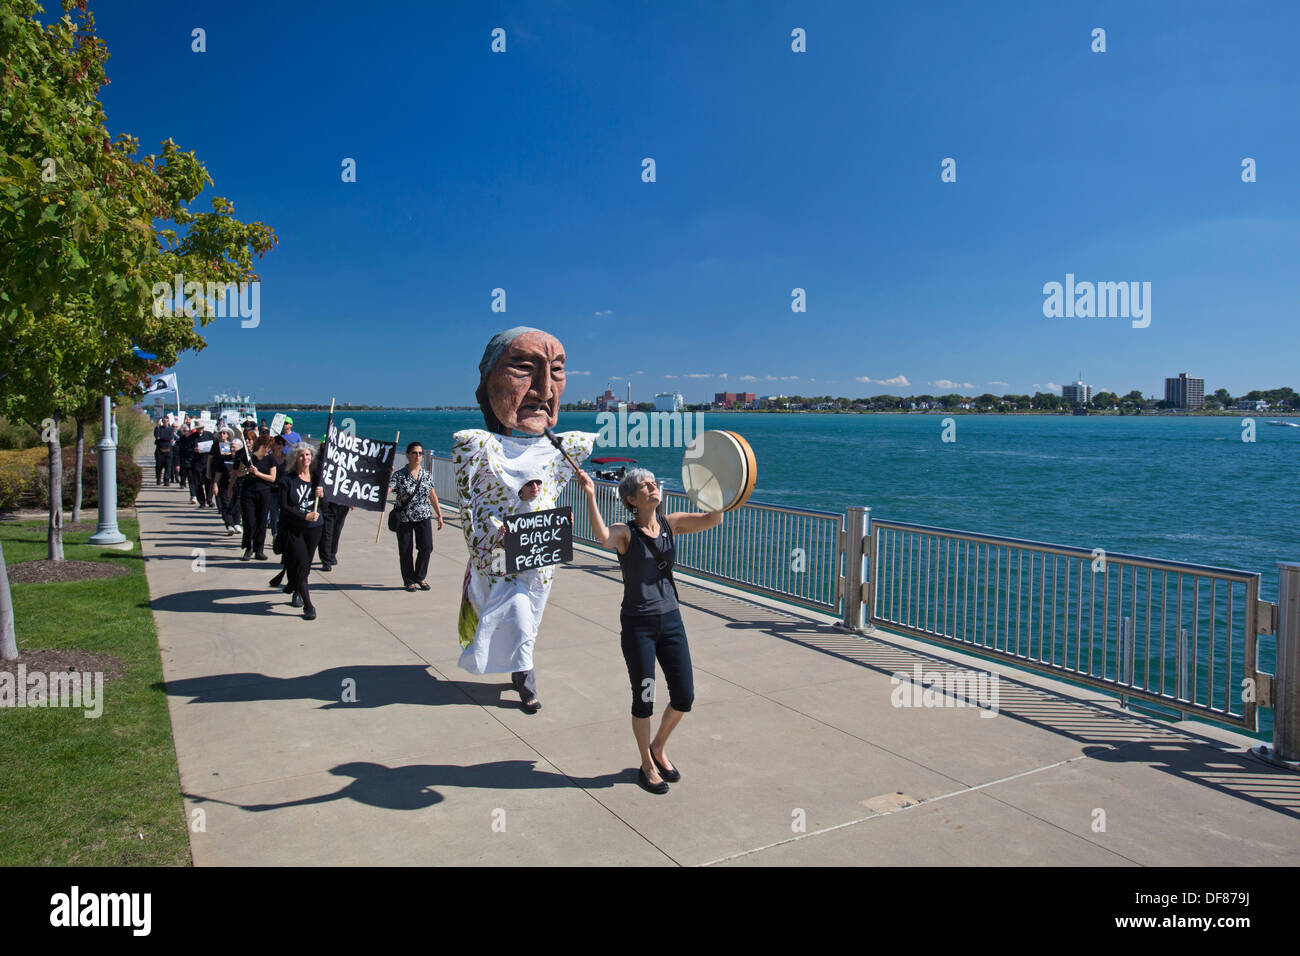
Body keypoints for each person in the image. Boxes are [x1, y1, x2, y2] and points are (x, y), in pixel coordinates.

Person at [453, 327, 596, 712]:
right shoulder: (476, 450)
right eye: (522, 368)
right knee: (515, 612)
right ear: (488, 381)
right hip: (500, 561)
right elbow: (473, 517)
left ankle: (521, 672)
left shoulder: (566, 450)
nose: (545, 389)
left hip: (541, 562)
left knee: (528, 618)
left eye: (557, 370)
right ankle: (527, 681)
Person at [574, 466, 721, 794]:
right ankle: (646, 762)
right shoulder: (625, 533)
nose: (654, 488)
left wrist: (720, 490)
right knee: (645, 699)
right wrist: (590, 494)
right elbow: (601, 536)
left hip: (671, 621)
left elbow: (713, 520)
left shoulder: (672, 523)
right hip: (638, 626)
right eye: (645, 486)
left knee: (684, 697)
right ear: (631, 499)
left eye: (654, 483)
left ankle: (658, 746)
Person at [387, 441, 444, 589]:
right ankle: (409, 580)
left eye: (420, 453)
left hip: (423, 515)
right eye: (414, 453)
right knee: (406, 550)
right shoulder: (399, 475)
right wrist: (386, 476)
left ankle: (419, 576)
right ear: (407, 455)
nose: (417, 456)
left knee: (427, 547)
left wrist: (439, 514)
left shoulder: (426, 475)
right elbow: (387, 490)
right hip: (405, 517)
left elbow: (432, 496)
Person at [278, 441, 324, 620]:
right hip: (294, 529)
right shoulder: (287, 480)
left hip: (314, 529)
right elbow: (283, 506)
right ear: (295, 458)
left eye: (308, 455)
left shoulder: (316, 479)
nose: (305, 458)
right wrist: (303, 516)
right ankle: (308, 605)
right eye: (301, 455)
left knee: (305, 565)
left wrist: (322, 495)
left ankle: (296, 589)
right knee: (302, 564)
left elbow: (324, 506)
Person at [237, 433, 278, 560]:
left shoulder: (271, 459)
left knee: (262, 521)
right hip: (248, 492)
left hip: (264, 492)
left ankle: (259, 549)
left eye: (269, 447)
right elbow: (238, 473)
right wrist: (247, 471)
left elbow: (272, 478)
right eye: (266, 446)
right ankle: (248, 548)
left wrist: (258, 473)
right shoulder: (248, 457)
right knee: (250, 521)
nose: (267, 449)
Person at [153, 416, 176, 486]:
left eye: (166, 421)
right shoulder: (159, 428)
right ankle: (158, 480)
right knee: (158, 466)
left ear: (168, 421)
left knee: (168, 467)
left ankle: (166, 481)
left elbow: (170, 437)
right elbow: (156, 436)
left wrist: (161, 438)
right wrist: (157, 426)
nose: (165, 422)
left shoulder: (171, 429)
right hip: (159, 450)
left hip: (168, 450)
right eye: (164, 421)